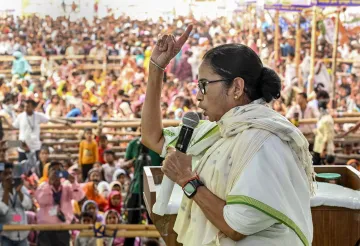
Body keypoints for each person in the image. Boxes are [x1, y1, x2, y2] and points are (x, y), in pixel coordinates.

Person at [141, 26, 313, 245]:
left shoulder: (264, 141)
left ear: (237, 87)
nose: (198, 98)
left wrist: (187, 179)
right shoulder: (220, 131)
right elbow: (152, 137)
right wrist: (156, 68)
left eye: (203, 85)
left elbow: (237, 226)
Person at [35, 161, 85, 246]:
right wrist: (50, 183)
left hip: (63, 229)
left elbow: (79, 196)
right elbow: (41, 200)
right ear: (48, 173)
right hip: (46, 230)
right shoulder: (43, 186)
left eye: (59, 170)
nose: (55, 172)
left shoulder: (67, 187)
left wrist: (73, 182)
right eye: (53, 170)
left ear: (63, 173)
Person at [0, 162, 32, 246]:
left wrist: (19, 192)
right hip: (7, 235)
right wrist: (6, 190)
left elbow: (29, 206)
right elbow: (2, 211)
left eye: (10, 173)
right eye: (5, 174)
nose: (9, 176)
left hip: (23, 234)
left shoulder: (21, 188)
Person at [312, 91, 335, 165]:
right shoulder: (322, 118)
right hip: (318, 147)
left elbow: (327, 136)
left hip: (323, 149)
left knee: (324, 170)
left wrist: (323, 150)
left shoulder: (327, 119)